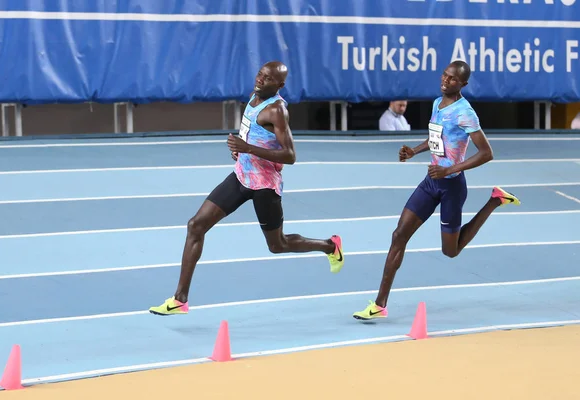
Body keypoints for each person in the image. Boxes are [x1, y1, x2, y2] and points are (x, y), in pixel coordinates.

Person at [149, 61, 344, 316]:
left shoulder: (276, 111)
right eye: (260, 74)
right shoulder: (254, 95)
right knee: (196, 225)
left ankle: (330, 246)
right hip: (241, 178)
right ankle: (180, 299)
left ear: (280, 85)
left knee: (278, 245)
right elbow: (252, 134)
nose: (260, 79)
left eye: (268, 78)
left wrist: (248, 149)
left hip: (264, 187)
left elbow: (290, 155)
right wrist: (239, 151)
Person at [353, 60, 521, 321]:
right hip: (431, 180)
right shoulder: (436, 103)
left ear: (462, 84)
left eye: (452, 79)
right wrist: (415, 151)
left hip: (451, 187)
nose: (445, 80)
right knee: (399, 235)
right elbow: (437, 139)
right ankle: (380, 304)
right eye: (445, 75)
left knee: (450, 252)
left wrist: (450, 169)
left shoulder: (466, 112)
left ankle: (494, 201)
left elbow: (487, 153)